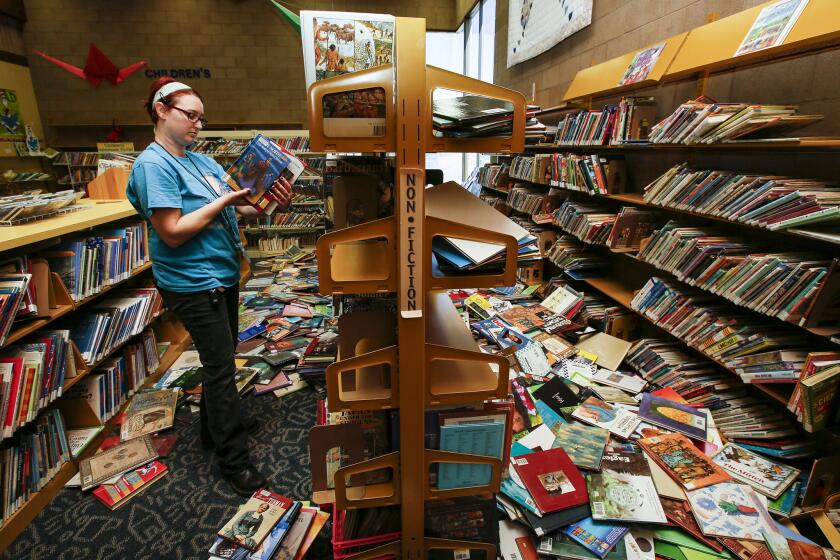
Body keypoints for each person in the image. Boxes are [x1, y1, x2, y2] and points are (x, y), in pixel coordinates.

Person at [126, 77, 292, 495]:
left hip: (221, 275)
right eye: (190, 115)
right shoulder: (153, 165)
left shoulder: (202, 162)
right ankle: (233, 461)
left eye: (202, 118)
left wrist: (271, 205)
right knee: (220, 367)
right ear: (161, 110)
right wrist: (225, 201)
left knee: (221, 360)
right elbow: (173, 231)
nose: (198, 124)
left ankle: (213, 428)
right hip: (191, 282)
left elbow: (232, 215)